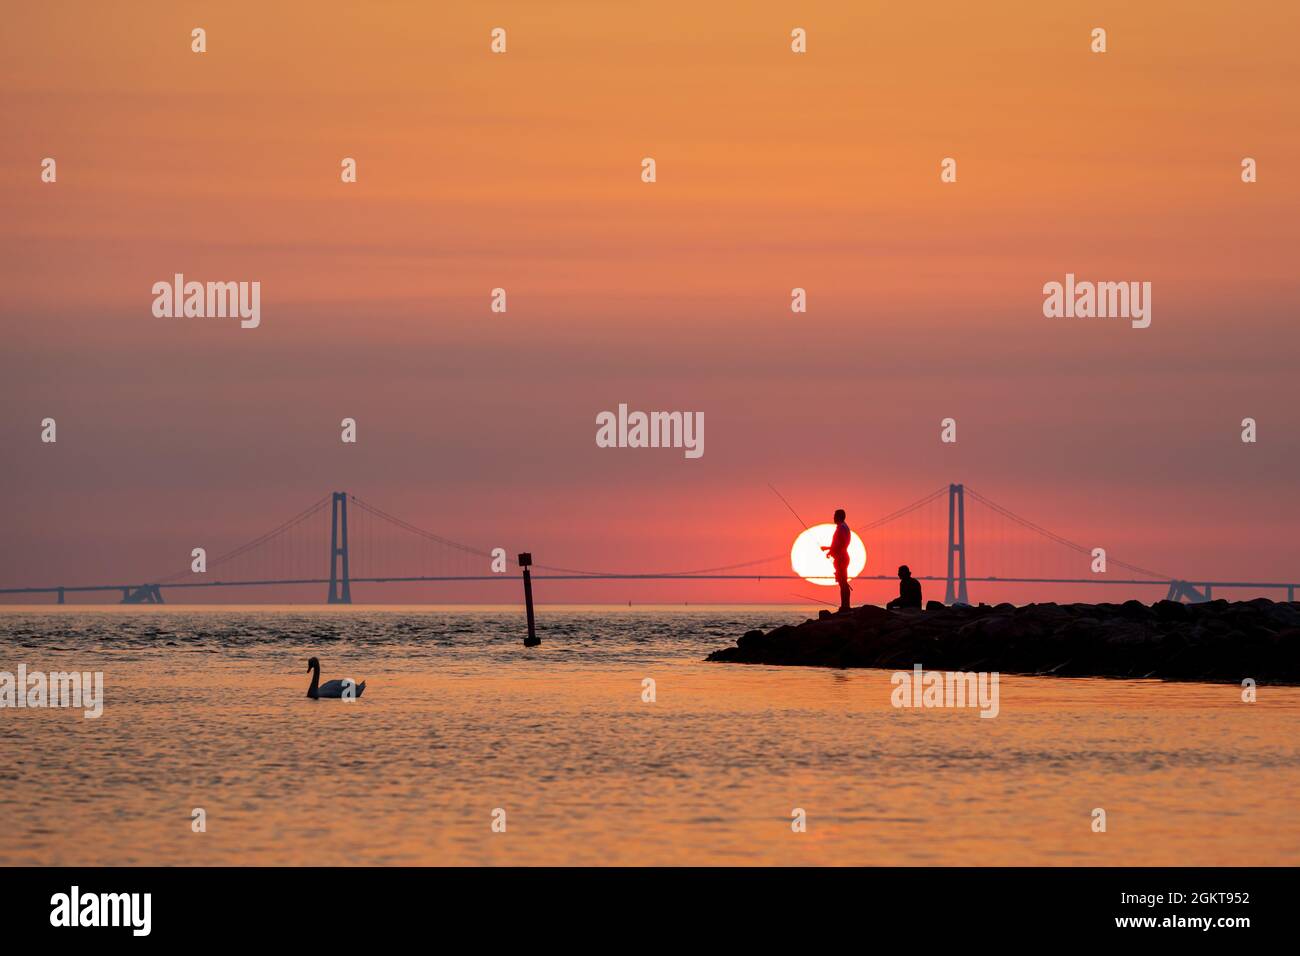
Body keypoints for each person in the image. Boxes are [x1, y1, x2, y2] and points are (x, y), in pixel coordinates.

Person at [820, 509, 852, 613]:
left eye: (834, 515)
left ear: (839, 516)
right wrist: (829, 549)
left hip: (841, 558)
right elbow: (840, 544)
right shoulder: (844, 527)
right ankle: (845, 605)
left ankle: (845, 607)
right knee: (843, 582)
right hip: (842, 556)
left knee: (842, 583)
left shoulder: (841, 528)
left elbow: (840, 544)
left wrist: (831, 550)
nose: (833, 518)